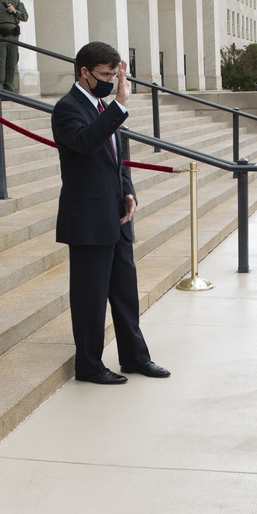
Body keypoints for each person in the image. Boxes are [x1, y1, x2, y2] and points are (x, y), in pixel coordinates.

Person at [51, 41, 170, 385]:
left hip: (117, 215)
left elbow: (118, 158)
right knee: (90, 298)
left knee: (125, 292)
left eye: (115, 75)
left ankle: (134, 357)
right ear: (84, 72)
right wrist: (119, 104)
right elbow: (87, 143)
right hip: (88, 220)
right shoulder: (67, 108)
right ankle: (88, 365)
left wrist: (129, 191)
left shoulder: (105, 109)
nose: (111, 81)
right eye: (105, 75)